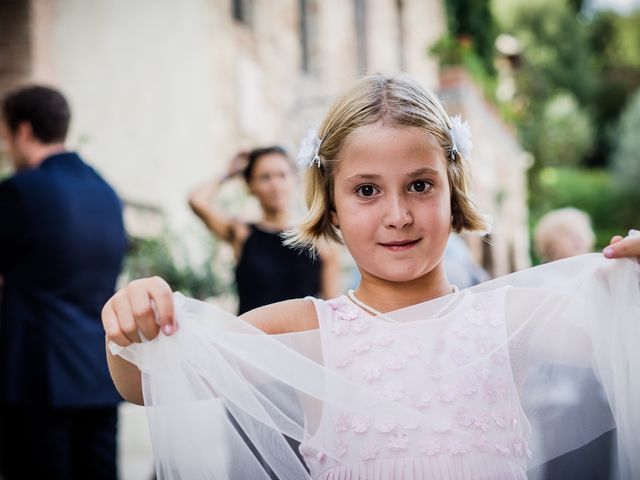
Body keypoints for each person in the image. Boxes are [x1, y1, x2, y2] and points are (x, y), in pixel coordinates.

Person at [102, 75, 640, 480]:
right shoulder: (300, 330)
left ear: (453, 191)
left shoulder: (510, 319)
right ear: (331, 206)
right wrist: (132, 325)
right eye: (366, 190)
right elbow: (146, 381)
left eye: (421, 185)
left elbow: (625, 336)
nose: (398, 215)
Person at [0, 85, 126, 479]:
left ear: (22, 131)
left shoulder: (20, 191)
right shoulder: (106, 192)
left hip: (36, 378)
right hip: (98, 373)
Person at [188, 147, 340, 314]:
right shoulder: (241, 233)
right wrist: (228, 173)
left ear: (294, 179)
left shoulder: (318, 239)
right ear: (250, 186)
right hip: (251, 338)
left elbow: (331, 308)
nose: (275, 184)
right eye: (265, 177)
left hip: (301, 339)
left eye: (282, 175)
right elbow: (197, 200)